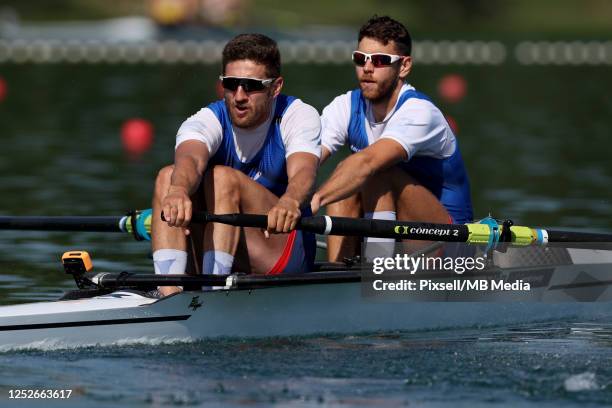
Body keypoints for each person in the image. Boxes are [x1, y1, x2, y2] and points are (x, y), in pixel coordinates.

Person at [152, 33, 321, 295]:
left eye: (251, 86)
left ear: (275, 87)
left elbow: (304, 171)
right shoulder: (207, 118)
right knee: (169, 178)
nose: (239, 96)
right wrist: (178, 190)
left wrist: (290, 200)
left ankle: (211, 294)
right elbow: (190, 160)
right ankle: (169, 295)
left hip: (281, 251)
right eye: (231, 84)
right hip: (223, 248)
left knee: (221, 178)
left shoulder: (298, 115)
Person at [310, 16, 473, 261]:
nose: (367, 68)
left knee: (372, 170)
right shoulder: (344, 106)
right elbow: (306, 161)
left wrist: (315, 199)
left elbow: (368, 163)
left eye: (379, 61)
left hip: (447, 244)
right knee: (344, 186)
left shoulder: (420, 112)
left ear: (404, 66)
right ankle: (339, 272)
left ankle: (376, 271)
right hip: (395, 236)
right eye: (360, 59)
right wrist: (288, 197)